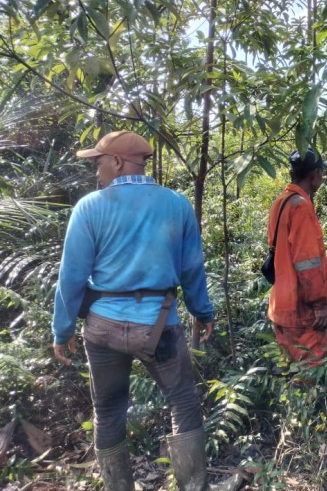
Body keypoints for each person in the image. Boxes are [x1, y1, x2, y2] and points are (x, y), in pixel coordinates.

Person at [52, 131, 216, 491]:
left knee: (108, 410)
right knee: (183, 402)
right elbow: (192, 269)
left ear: (117, 162)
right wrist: (203, 312)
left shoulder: (89, 207)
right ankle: (193, 486)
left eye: (99, 162)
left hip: (103, 327)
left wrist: (62, 331)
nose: (97, 171)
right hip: (159, 327)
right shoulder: (177, 204)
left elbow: (72, 277)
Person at [267, 148, 327, 368]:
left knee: (290, 372)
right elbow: (307, 263)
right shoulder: (301, 207)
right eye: (321, 172)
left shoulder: (281, 202)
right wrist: (320, 304)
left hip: (280, 305)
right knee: (312, 373)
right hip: (301, 311)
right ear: (315, 174)